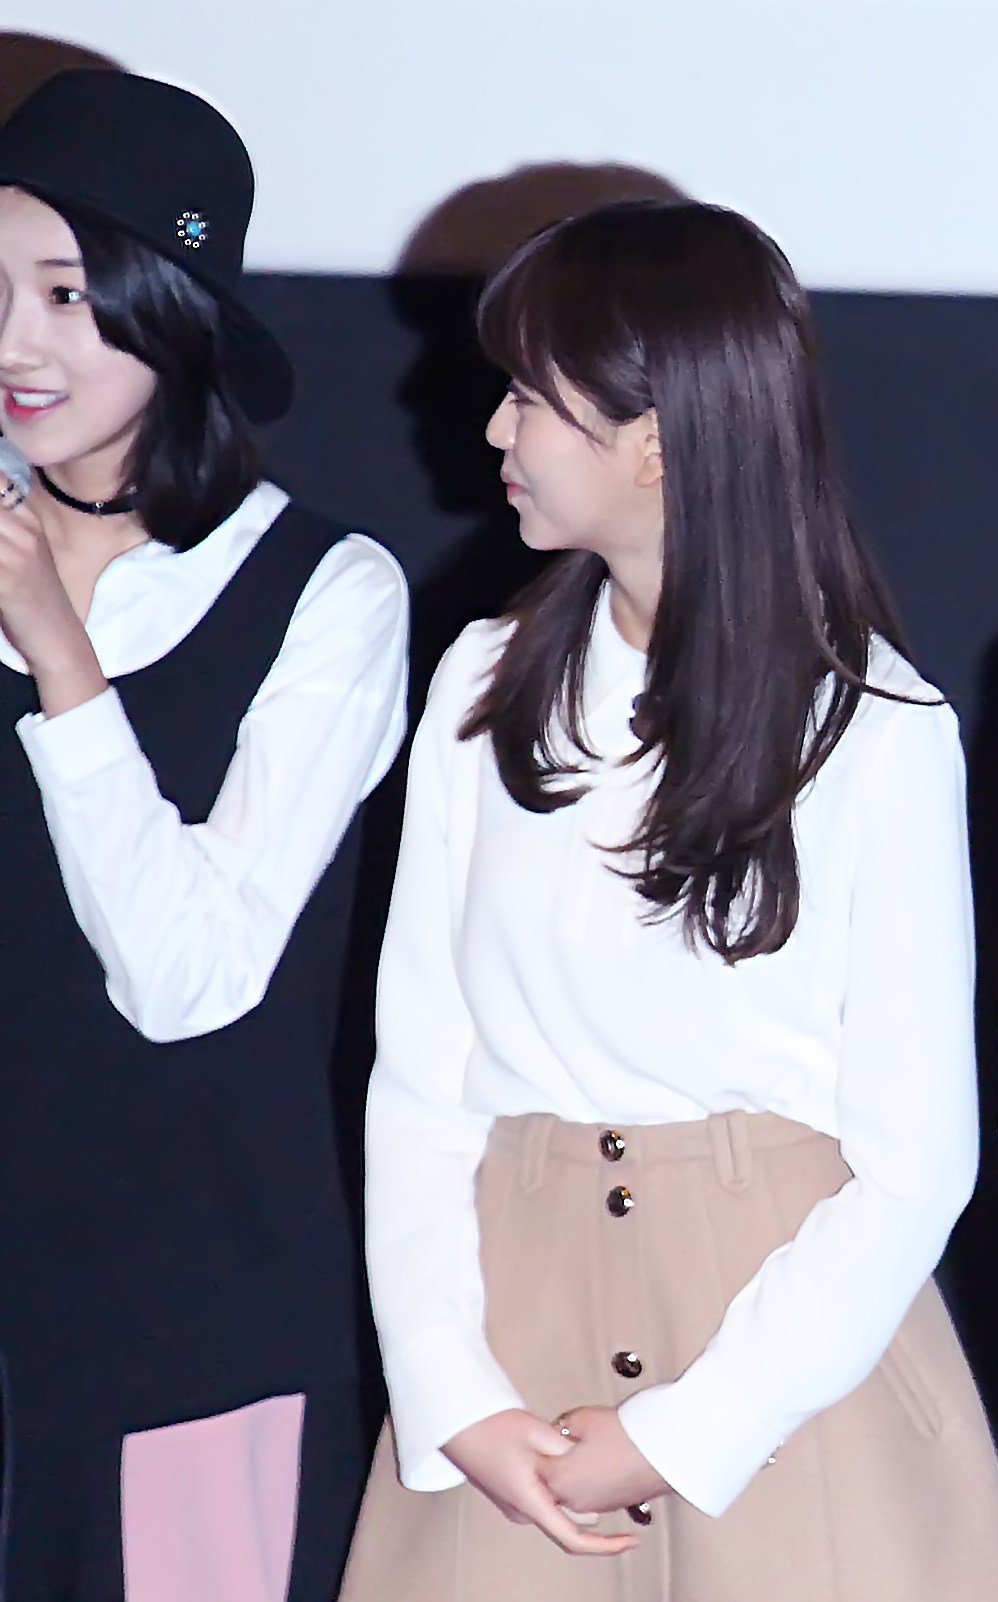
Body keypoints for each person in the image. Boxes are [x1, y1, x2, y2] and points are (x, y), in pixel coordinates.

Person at [339, 200, 998, 1602]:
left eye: (532, 398)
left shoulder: (875, 730)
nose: (497, 430)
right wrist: (450, 1392)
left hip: (784, 1361)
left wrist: (688, 1428)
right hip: (508, 1361)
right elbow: (420, 1077)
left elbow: (918, 1162)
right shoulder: (484, 682)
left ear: (655, 440)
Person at [0, 69, 410, 1602]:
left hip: (190, 1318)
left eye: (64, 292)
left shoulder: (324, 591)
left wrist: (58, 652)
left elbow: (190, 980)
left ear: (169, 304)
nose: (16, 341)